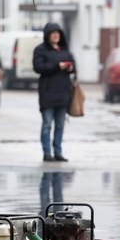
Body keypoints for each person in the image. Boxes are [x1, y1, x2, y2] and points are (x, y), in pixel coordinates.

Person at [33, 22, 76, 162]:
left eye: (58, 32)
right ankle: (47, 153)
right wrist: (57, 66)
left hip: (63, 93)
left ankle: (58, 152)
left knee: (60, 125)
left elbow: (74, 66)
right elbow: (38, 67)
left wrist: (70, 68)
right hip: (47, 93)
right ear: (47, 35)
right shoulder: (40, 50)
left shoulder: (65, 50)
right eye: (53, 33)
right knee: (46, 125)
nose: (56, 35)